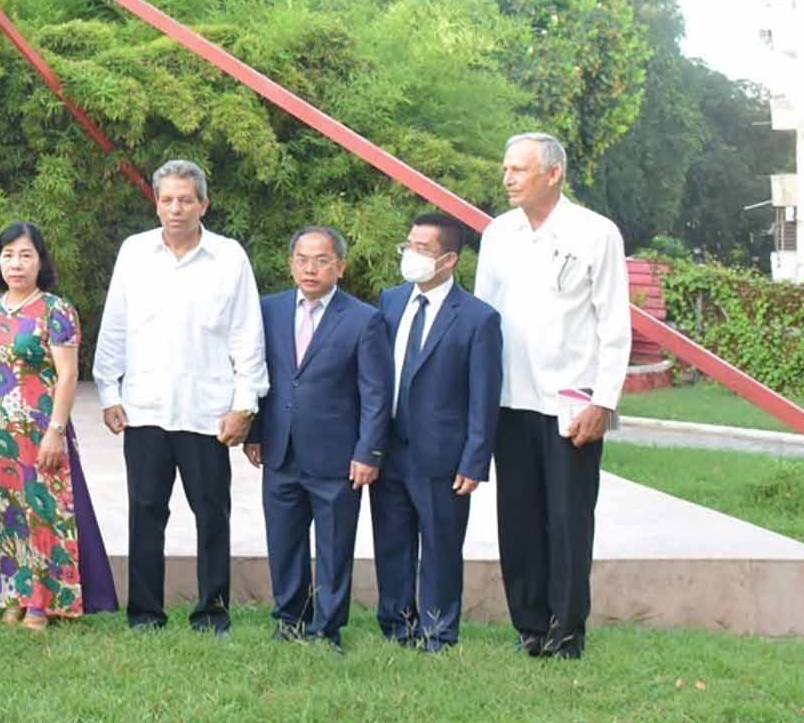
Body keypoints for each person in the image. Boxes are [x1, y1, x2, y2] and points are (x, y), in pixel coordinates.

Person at [93, 160, 267, 635]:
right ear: (156, 202)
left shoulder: (229, 257)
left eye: (185, 199)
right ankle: (145, 613)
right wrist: (109, 389)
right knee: (146, 512)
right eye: (167, 199)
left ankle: (212, 612)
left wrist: (244, 405)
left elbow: (246, 335)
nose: (176, 208)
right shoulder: (134, 252)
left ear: (203, 204)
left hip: (207, 413)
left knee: (212, 515)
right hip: (145, 408)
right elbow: (115, 325)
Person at [475, 132, 631, 660]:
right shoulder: (498, 234)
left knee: (568, 519)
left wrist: (603, 401)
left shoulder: (595, 232)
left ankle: (567, 631)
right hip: (510, 399)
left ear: (554, 173)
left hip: (572, 401)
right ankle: (530, 626)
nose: (508, 178)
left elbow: (614, 322)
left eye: (519, 169)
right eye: (506, 169)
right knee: (517, 518)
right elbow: (483, 318)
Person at [0, 221, 117, 630]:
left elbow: (67, 376)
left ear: (41, 261)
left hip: (39, 431)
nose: (16, 264)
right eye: (8, 255)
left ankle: (42, 601)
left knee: (43, 514)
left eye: (25, 255)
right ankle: (11, 594)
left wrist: (56, 429)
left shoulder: (56, 310)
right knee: (4, 513)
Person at [246, 226, 390, 651]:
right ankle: (289, 619)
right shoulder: (267, 310)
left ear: (340, 267)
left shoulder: (364, 319)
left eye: (322, 260)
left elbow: (376, 393)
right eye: (302, 259)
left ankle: (327, 627)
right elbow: (256, 375)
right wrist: (255, 432)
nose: (311, 268)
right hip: (280, 450)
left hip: (337, 456)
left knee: (333, 546)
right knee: (284, 542)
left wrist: (369, 451)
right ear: (291, 263)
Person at [369, 212, 502, 652]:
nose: (410, 255)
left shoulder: (478, 319)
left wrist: (475, 459)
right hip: (389, 447)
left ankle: (438, 630)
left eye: (421, 249)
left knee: (441, 544)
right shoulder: (390, 302)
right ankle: (396, 623)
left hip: (442, 453)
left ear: (448, 260)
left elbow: (484, 394)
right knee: (392, 540)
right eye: (408, 245)